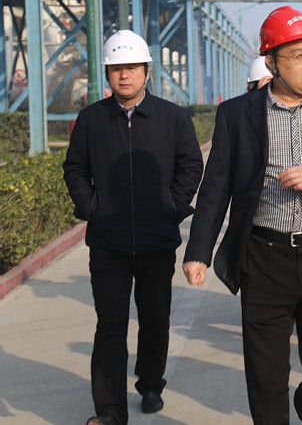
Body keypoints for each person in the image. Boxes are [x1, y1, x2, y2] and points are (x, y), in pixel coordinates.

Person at [182, 6, 302, 425]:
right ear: (271, 63)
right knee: (266, 373)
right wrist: (198, 251)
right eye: (298, 56)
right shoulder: (237, 114)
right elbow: (216, 188)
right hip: (264, 258)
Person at [63, 30, 203, 425]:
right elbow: (75, 168)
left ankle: (151, 383)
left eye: (132, 68)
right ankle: (110, 409)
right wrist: (92, 207)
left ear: (146, 71)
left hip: (157, 241)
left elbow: (191, 166)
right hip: (108, 243)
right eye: (116, 69)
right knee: (110, 324)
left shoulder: (172, 118)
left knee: (155, 318)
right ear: (107, 73)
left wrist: (171, 208)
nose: (124, 75)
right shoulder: (91, 119)